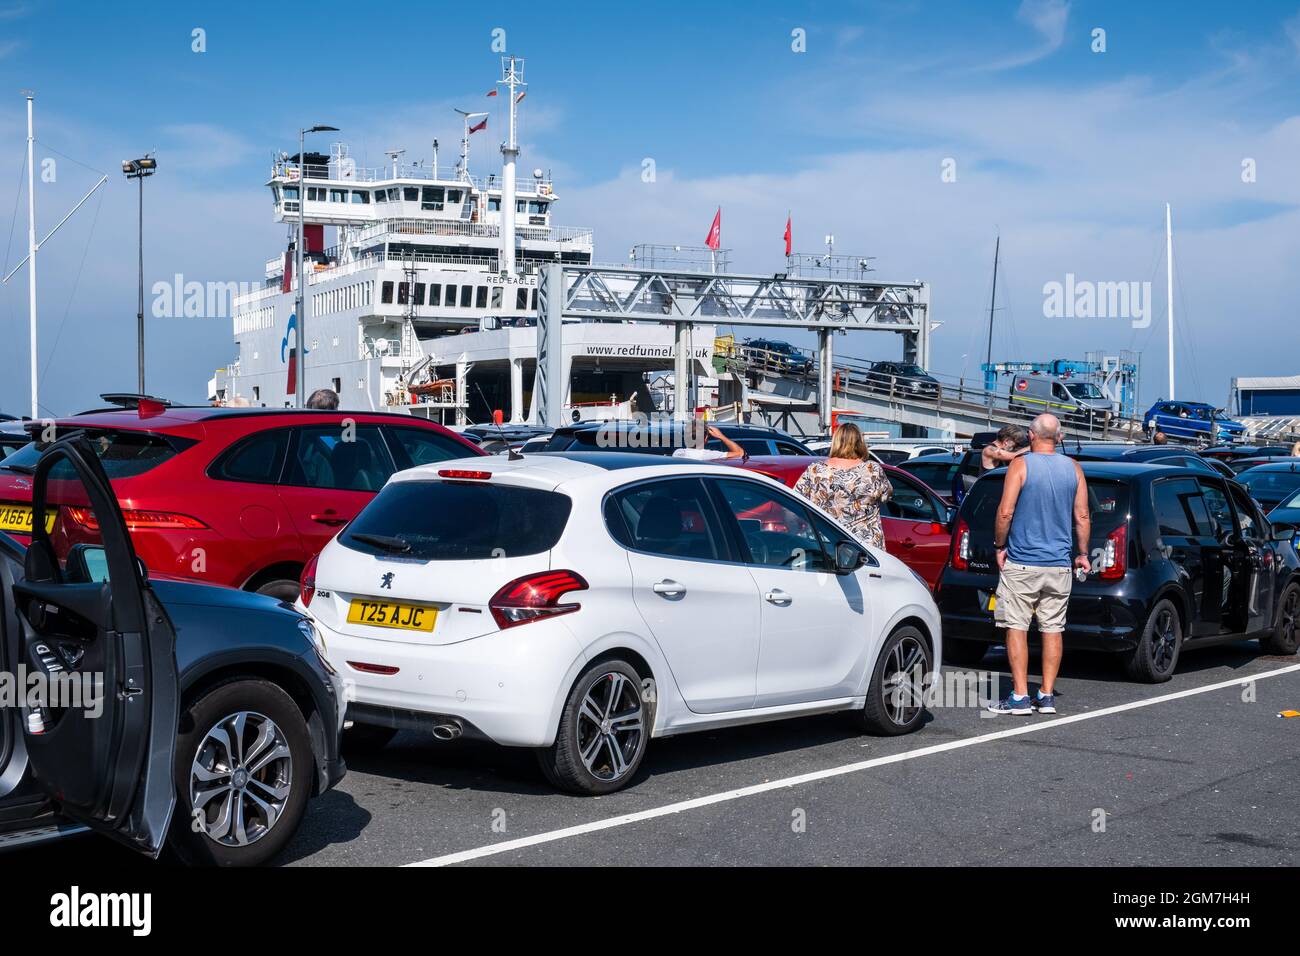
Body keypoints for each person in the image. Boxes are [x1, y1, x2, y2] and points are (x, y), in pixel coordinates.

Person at [987, 413, 1090, 716]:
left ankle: (1019, 696)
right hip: (1059, 564)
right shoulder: (1073, 469)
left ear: (1030, 436)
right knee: (1053, 628)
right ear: (1059, 438)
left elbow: (1005, 512)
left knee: (1016, 626)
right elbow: (1082, 516)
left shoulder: (1020, 465)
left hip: (1022, 561)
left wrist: (999, 545)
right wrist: (1082, 553)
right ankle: (1045, 695)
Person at [793, 422, 892, 549]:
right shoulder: (872, 470)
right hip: (865, 548)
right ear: (860, 443)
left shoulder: (815, 471)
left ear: (835, 442)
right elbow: (886, 496)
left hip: (824, 545)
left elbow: (795, 504)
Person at [671, 423, 746, 460]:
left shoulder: (677, 453)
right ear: (705, 439)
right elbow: (741, 453)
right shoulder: (709, 455)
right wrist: (721, 436)